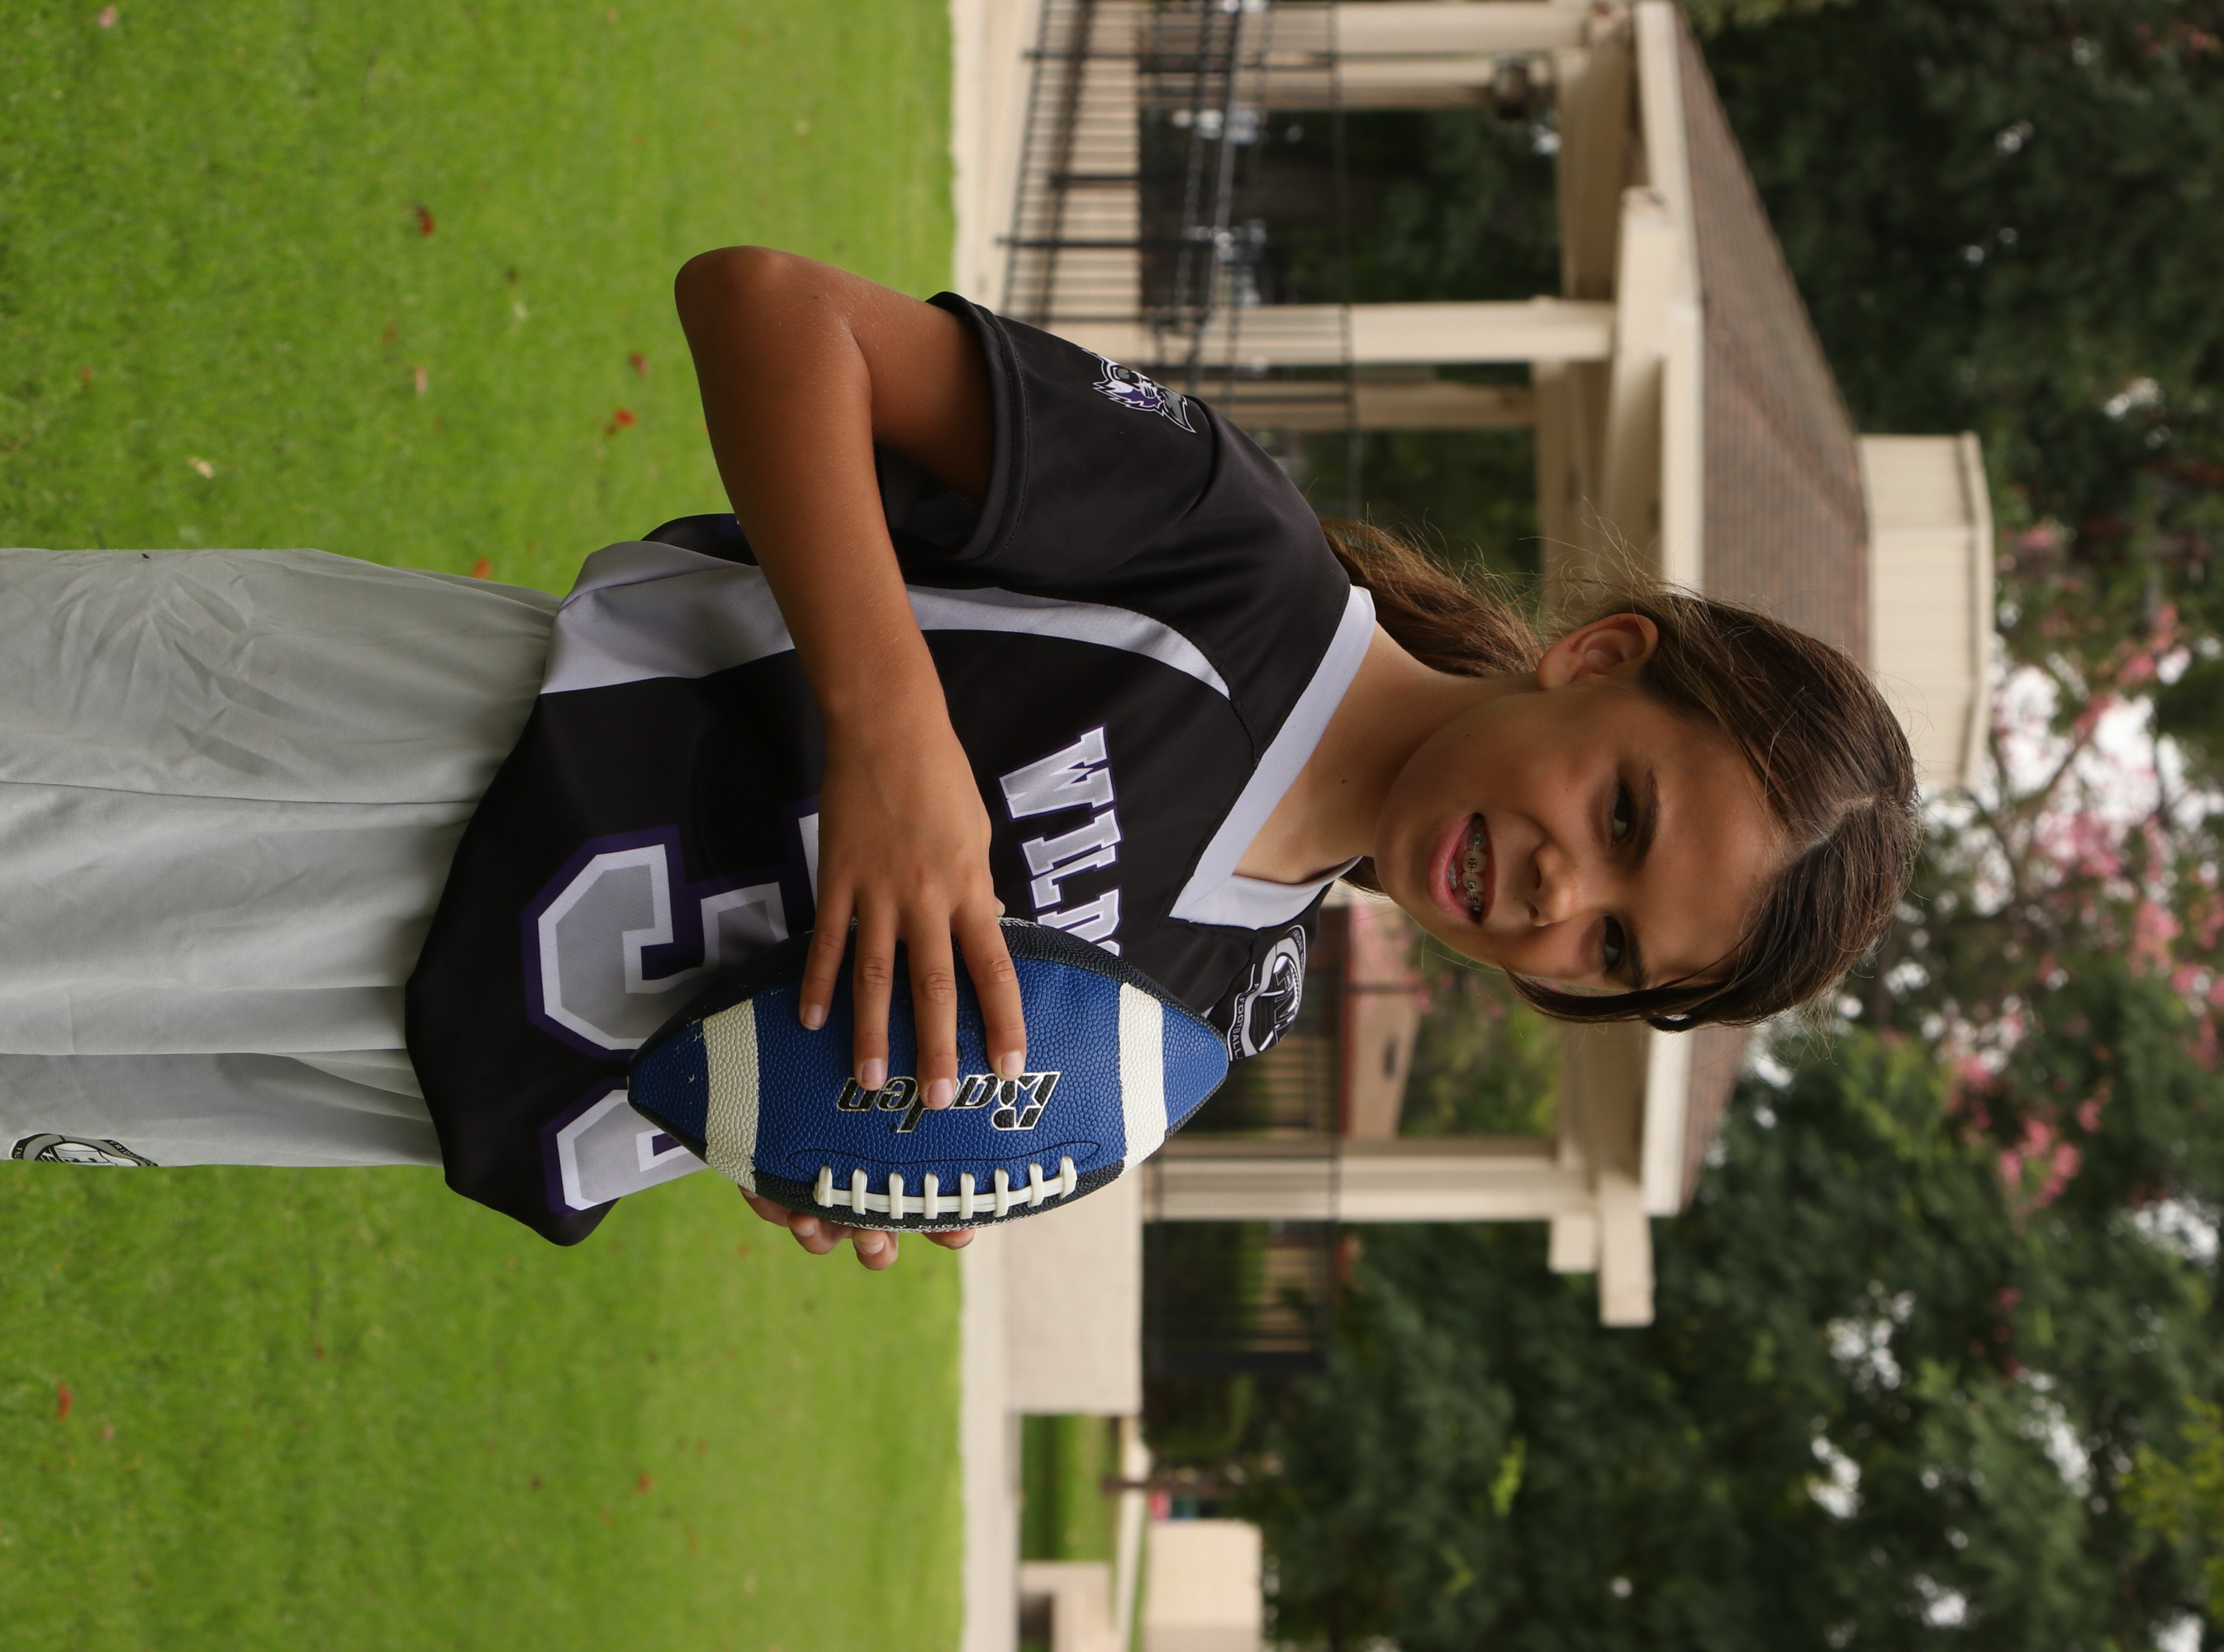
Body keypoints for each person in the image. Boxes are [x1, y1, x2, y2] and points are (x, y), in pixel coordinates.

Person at [0, 249, 1919, 1267]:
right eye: (1621, 811)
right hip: (384, 775)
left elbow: (853, 1047)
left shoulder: (1213, 1015)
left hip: (470, 1064)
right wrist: (890, 728)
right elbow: (768, 311)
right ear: (1598, 658)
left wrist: (832, 1136)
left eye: (1613, 949)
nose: (1560, 892)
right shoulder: (1230, 558)